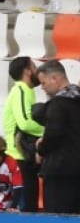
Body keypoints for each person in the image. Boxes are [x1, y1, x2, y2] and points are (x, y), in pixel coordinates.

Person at [37, 60, 80, 214]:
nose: (42, 87)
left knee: (57, 220)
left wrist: (40, 148)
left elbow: (53, 135)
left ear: (54, 78)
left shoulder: (57, 104)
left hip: (60, 172)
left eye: (43, 83)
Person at [4, 55, 46, 212]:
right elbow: (25, 122)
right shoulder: (21, 90)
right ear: (28, 71)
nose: (37, 71)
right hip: (19, 156)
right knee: (27, 207)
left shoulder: (25, 91)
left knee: (30, 205)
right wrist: (50, 131)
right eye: (34, 67)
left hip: (24, 155)